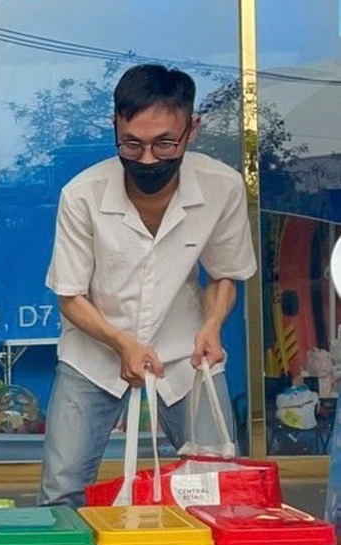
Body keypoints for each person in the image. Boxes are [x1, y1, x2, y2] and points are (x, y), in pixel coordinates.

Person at [37, 64, 258, 508]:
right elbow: (70, 296)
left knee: (218, 490)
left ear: (191, 130)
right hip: (94, 356)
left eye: (164, 143)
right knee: (62, 492)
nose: (148, 158)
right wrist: (121, 344)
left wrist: (213, 325)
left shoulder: (223, 187)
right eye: (132, 144)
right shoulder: (82, 194)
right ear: (115, 125)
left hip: (187, 357)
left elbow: (223, 274)